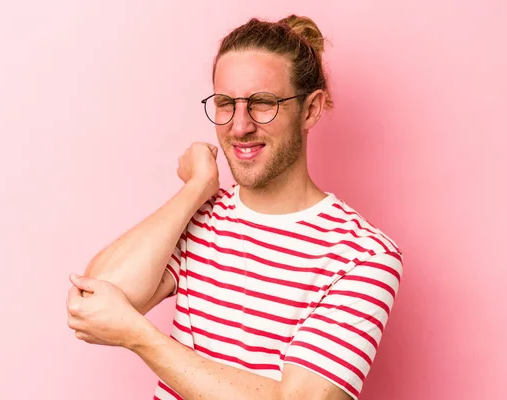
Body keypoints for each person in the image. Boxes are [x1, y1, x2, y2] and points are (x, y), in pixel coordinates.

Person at [66, 15, 403, 400]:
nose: (239, 126)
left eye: (263, 104)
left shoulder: (362, 256)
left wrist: (140, 336)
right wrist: (196, 189)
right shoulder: (202, 217)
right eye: (225, 104)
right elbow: (95, 298)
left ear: (310, 110)